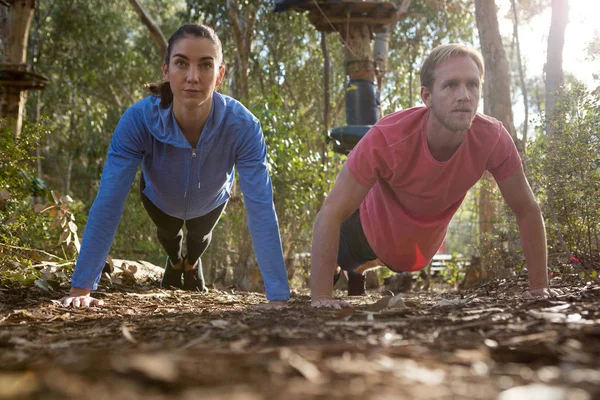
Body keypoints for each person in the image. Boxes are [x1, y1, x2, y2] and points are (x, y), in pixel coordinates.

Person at [310, 44, 564, 309]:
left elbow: (527, 208)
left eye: (472, 85)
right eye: (451, 85)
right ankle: (347, 271)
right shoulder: (387, 137)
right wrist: (321, 298)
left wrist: (539, 288)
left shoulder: (493, 138)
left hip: (413, 251)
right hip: (365, 228)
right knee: (345, 256)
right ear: (427, 96)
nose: (464, 95)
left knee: (397, 261)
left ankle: (357, 272)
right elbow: (330, 213)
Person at [60, 23, 290, 308]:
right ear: (166, 71)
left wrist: (278, 296)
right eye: (181, 63)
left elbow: (261, 208)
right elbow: (109, 200)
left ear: (219, 75)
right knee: (169, 235)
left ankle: (191, 264)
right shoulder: (138, 120)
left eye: (205, 65)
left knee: (199, 238)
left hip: (212, 199)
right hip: (159, 197)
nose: (193, 77)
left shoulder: (243, 126)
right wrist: (81, 289)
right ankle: (174, 260)